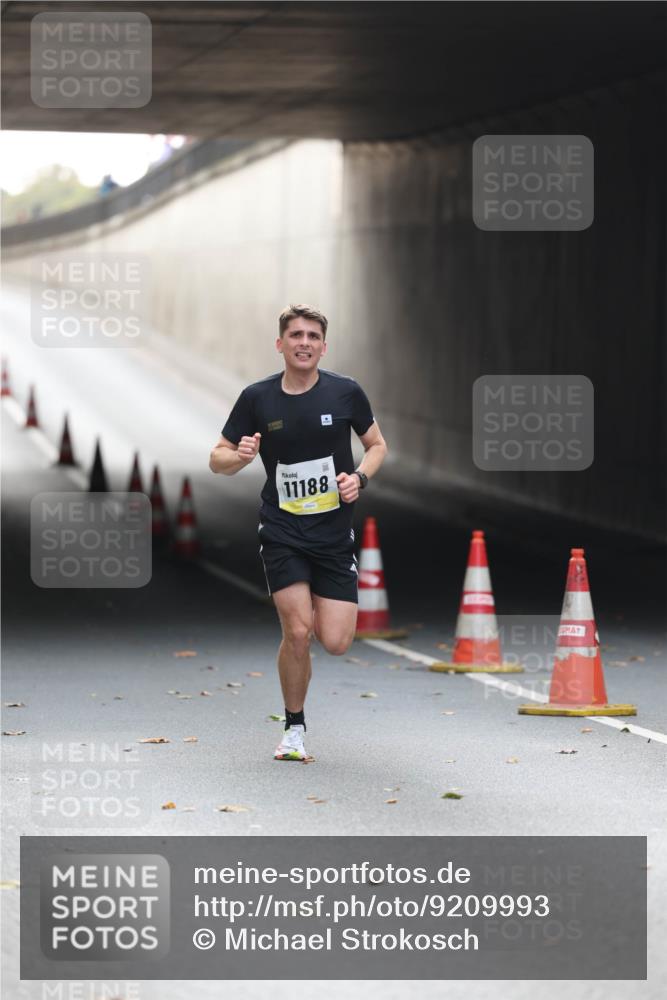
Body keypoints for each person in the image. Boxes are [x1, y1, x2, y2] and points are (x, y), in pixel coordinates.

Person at [209, 304, 388, 761]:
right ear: (280, 344)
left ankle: (311, 626)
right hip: (282, 528)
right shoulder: (258, 398)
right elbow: (218, 458)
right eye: (295, 335)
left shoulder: (346, 393)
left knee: (336, 641)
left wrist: (360, 479)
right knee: (298, 630)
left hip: (332, 534)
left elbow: (376, 445)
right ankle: (293, 727)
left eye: (312, 336)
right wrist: (242, 456)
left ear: (323, 346)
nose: (304, 342)